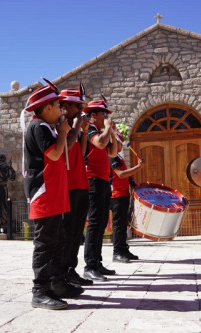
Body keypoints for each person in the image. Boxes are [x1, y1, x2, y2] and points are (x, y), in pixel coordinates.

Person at [22, 79, 83, 311]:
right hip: (44, 193)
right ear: (47, 108)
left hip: (55, 193)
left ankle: (57, 284)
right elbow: (56, 154)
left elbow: (63, 150)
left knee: (57, 241)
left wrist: (65, 132)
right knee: (45, 244)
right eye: (58, 106)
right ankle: (40, 291)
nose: (62, 110)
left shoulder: (48, 127)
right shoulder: (38, 127)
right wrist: (64, 132)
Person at [58, 84, 93, 287]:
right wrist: (78, 127)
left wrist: (84, 132)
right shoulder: (61, 125)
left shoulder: (75, 127)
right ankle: (63, 272)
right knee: (68, 232)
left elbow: (80, 151)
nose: (81, 110)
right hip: (68, 185)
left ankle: (71, 270)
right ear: (66, 106)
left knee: (76, 231)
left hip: (80, 182)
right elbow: (66, 147)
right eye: (76, 106)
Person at [83, 97, 118, 281]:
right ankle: (90, 265)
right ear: (94, 115)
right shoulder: (90, 129)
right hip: (93, 180)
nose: (106, 116)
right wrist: (107, 129)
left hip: (103, 180)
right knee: (95, 223)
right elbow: (100, 143)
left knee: (103, 222)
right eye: (103, 113)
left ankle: (97, 262)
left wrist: (112, 132)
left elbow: (113, 151)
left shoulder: (101, 131)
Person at [110, 136, 143, 263]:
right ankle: (117, 252)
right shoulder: (112, 156)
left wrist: (133, 183)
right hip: (115, 195)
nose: (120, 144)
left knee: (123, 224)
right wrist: (138, 167)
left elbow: (125, 176)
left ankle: (124, 249)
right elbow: (120, 174)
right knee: (118, 225)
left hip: (123, 194)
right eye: (118, 142)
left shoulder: (119, 157)